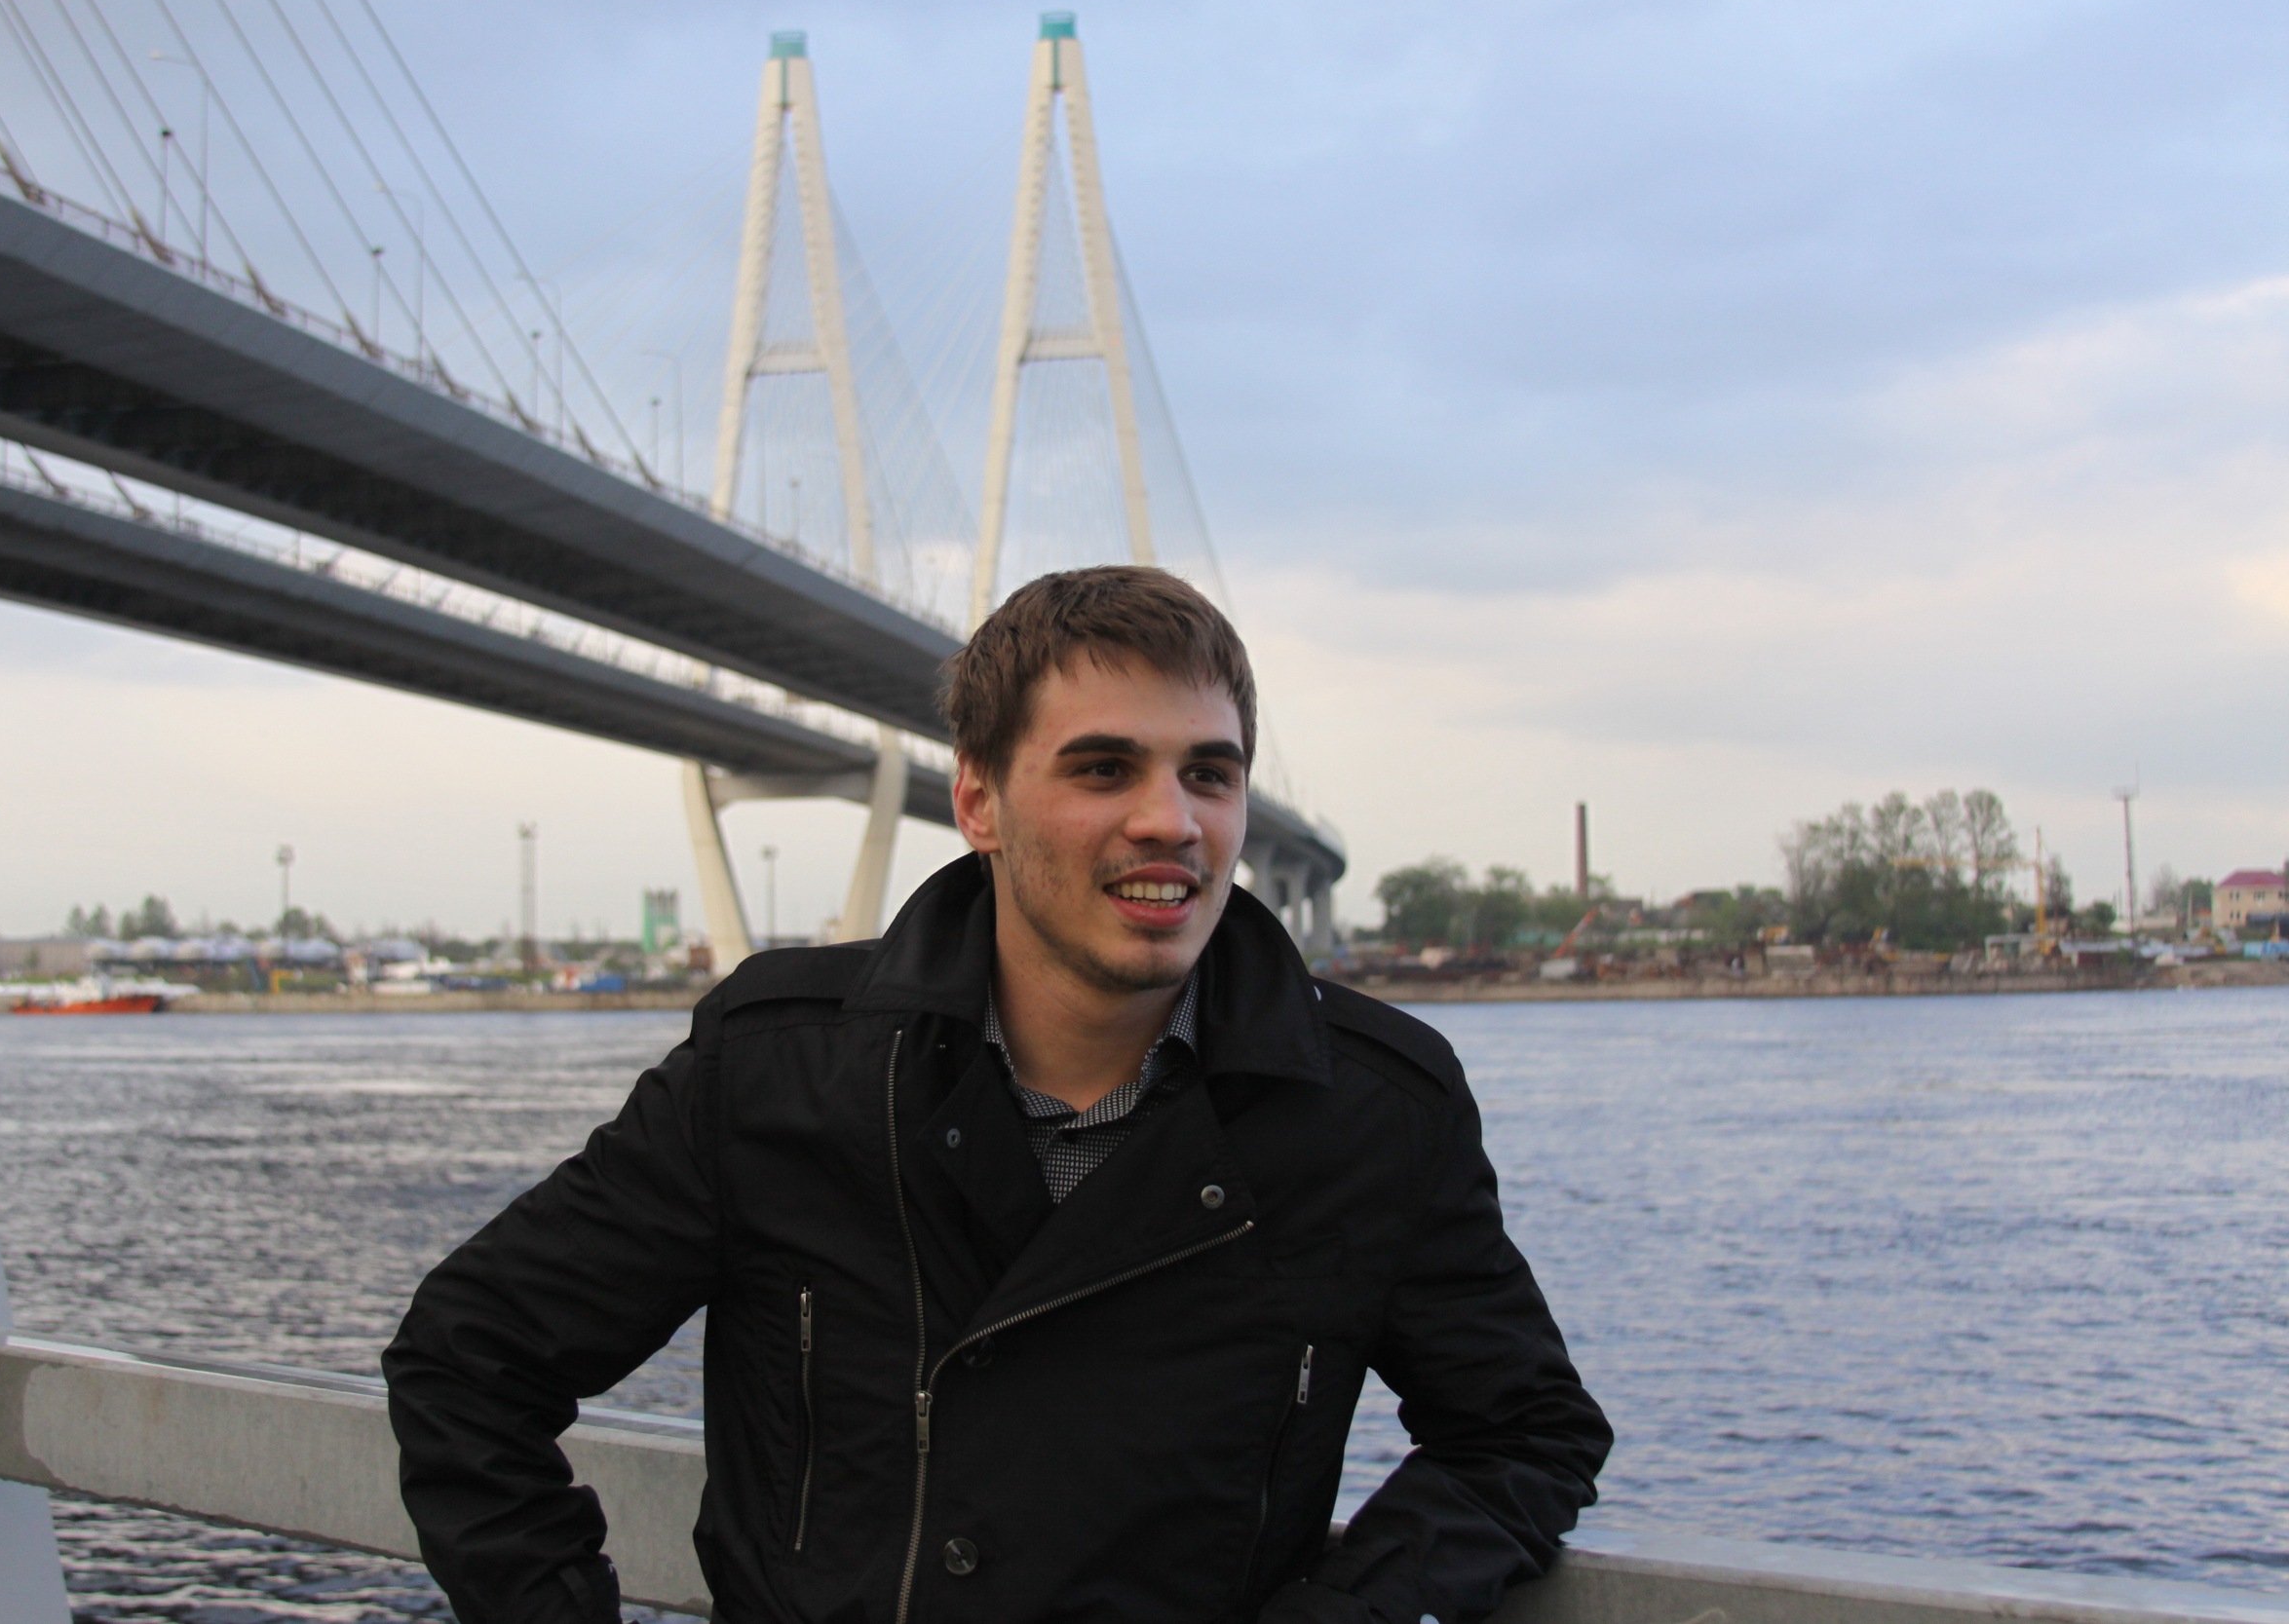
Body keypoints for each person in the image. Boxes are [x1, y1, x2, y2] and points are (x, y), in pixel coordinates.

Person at [384, 565, 1611, 1624]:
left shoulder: (1369, 1111)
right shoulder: (778, 1075)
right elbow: (469, 1359)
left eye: (1209, 773)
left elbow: (1523, 1434)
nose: (1171, 822)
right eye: (1103, 768)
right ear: (977, 801)